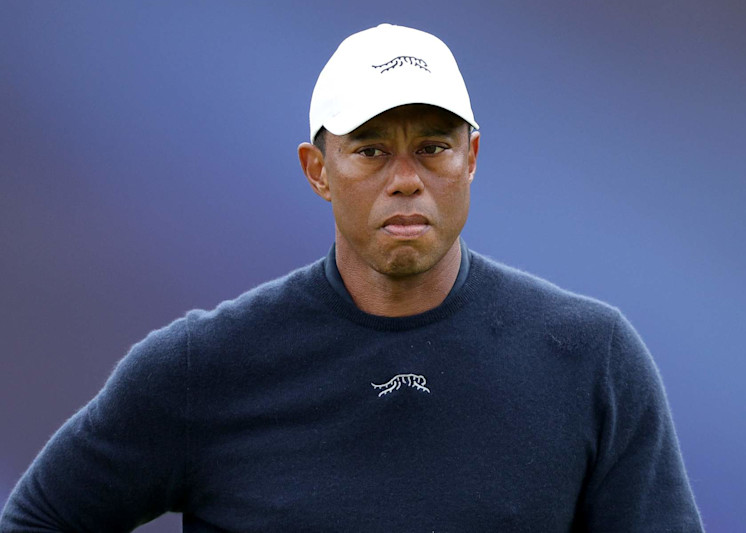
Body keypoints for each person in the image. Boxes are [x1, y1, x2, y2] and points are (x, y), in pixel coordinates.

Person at [0, 23, 703, 532]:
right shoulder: (203, 367)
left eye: (433, 147)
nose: (406, 181)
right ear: (318, 170)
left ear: (472, 158)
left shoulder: (588, 359)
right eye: (370, 150)